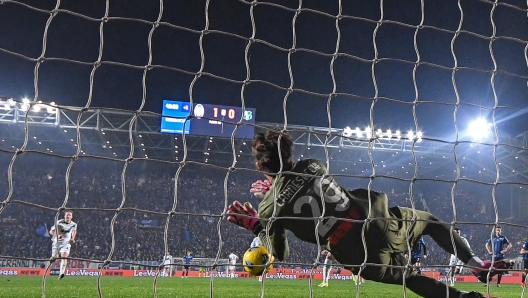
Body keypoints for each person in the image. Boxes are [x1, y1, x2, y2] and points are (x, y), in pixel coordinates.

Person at [227, 130, 497, 298]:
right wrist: (276, 189)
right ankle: (476, 265)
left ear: (259, 164)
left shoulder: (268, 207)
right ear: (289, 152)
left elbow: (280, 254)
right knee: (431, 223)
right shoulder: (313, 165)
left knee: (409, 278)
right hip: (376, 221)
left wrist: (257, 224)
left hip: (356, 253)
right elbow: (301, 187)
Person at [49, 210, 77, 280]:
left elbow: (74, 231)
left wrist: (73, 238)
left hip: (66, 243)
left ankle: (61, 273)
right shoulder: (59, 222)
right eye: (67, 215)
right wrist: (57, 235)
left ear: (71, 217)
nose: (68, 216)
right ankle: (47, 268)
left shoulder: (74, 224)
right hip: (57, 242)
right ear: (64, 216)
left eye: (69, 215)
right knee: (54, 258)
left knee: (64, 257)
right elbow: (51, 231)